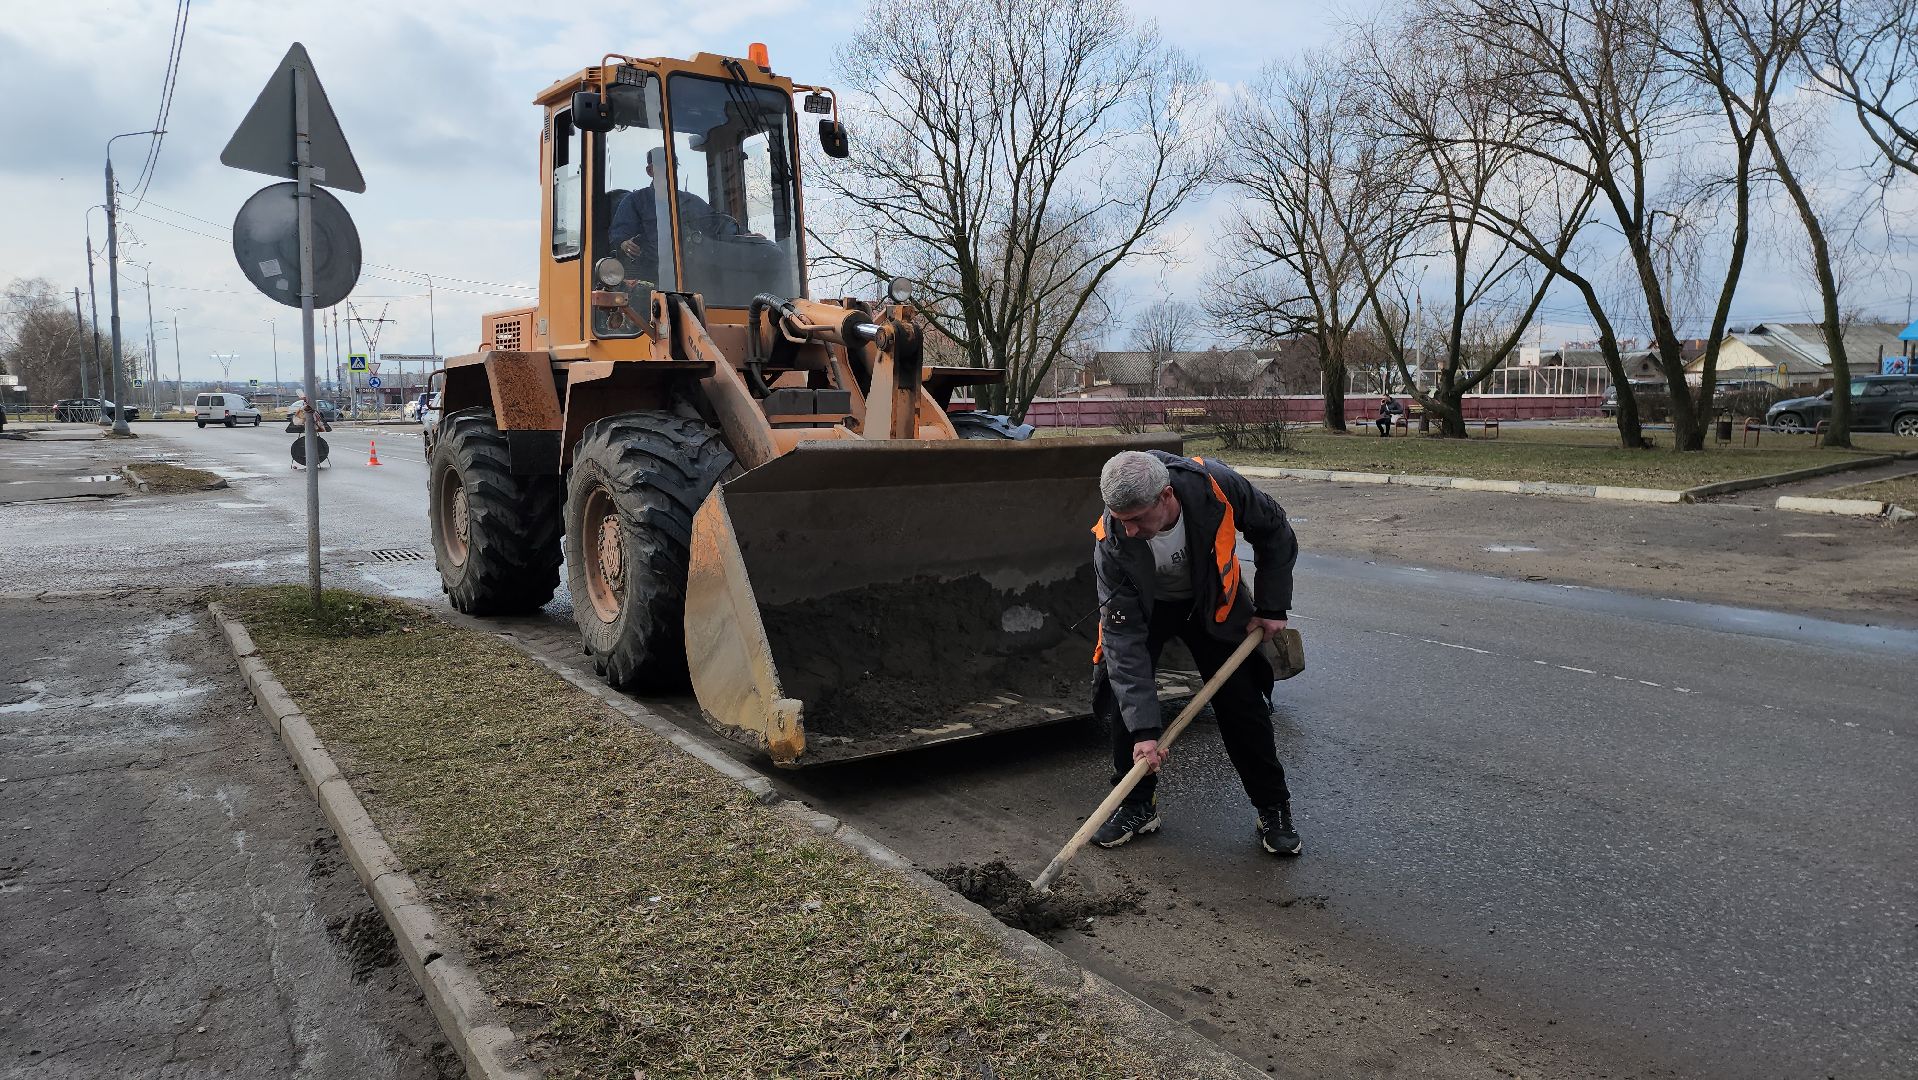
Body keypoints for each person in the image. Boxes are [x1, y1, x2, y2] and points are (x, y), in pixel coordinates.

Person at [1089, 449, 1303, 856]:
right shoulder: (1112, 541)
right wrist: (1146, 734)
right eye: (1121, 519)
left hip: (1211, 601)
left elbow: (1273, 528)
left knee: (1243, 705)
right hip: (1149, 610)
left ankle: (1272, 808)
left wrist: (1272, 606)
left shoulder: (1216, 487)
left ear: (1166, 495)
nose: (1129, 530)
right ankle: (1136, 805)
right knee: (1123, 702)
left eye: (1137, 519)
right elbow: (1123, 642)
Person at [607, 147, 762, 274]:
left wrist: (744, 234)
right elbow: (619, 235)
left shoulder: (691, 201)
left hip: (693, 271)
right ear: (650, 170)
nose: (670, 171)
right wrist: (624, 243)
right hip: (650, 273)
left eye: (673, 166)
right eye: (664, 166)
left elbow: (717, 222)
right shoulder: (635, 201)